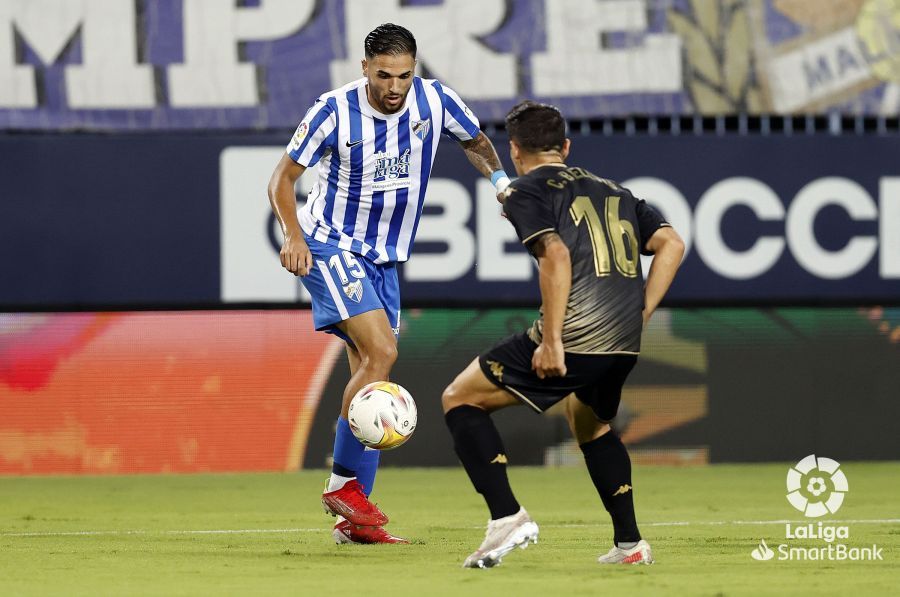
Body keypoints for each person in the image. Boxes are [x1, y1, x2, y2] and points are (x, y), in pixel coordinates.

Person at [267, 23, 510, 545]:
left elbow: (477, 141)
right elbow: (281, 179)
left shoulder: (434, 101)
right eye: (383, 75)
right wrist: (294, 236)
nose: (394, 87)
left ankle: (352, 524)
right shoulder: (333, 110)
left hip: (385, 260)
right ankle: (341, 488)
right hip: (332, 243)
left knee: (371, 380)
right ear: (364, 69)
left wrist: (500, 182)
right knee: (383, 354)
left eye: (403, 74)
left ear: (414, 69)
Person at [441, 101, 685, 568]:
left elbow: (554, 256)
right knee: (590, 423)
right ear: (566, 147)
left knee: (460, 398)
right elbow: (671, 243)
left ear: (514, 150)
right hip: (624, 342)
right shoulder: (614, 190)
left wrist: (551, 340)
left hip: (574, 338)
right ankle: (630, 545)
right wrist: (643, 310)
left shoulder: (525, 190)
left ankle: (506, 517)